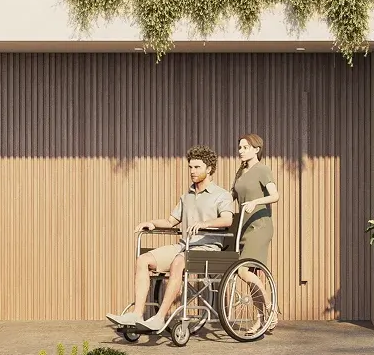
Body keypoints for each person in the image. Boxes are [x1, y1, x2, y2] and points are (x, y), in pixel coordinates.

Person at [118, 146, 235, 332]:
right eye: (190, 167)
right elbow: (171, 221)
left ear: (209, 169)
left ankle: (159, 317)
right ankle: (137, 314)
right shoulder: (186, 196)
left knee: (179, 261)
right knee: (143, 260)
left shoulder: (221, 195)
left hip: (207, 248)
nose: (192, 171)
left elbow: (228, 219)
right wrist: (151, 223)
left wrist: (205, 223)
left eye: (197, 167)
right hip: (183, 246)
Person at [231, 134, 280, 325]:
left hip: (260, 226)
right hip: (244, 226)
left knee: (243, 270)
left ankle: (270, 308)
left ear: (256, 149)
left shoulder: (262, 170)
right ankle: (260, 320)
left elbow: (275, 196)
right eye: (240, 147)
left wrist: (256, 202)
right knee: (252, 273)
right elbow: (231, 196)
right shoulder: (240, 173)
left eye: (245, 147)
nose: (241, 151)